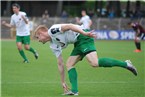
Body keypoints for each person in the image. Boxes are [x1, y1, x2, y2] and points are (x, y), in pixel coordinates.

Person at [34, 23, 137, 95]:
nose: (38, 41)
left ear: (41, 33)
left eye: (37, 38)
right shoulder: (52, 45)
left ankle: (126, 64)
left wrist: (84, 33)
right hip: (77, 42)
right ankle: (74, 91)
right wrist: (63, 82)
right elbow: (60, 63)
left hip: (83, 36)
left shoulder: (52, 30)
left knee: (94, 63)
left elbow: (70, 26)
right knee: (69, 64)